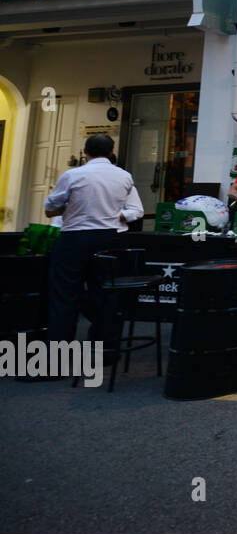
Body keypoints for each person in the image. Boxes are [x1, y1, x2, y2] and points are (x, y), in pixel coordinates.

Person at [39, 135, 142, 373]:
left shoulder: (73, 175)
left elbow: (51, 208)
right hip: (110, 237)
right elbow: (133, 210)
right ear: (112, 151)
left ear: (85, 151)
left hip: (75, 237)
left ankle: (57, 360)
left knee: (64, 296)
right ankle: (104, 352)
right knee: (105, 294)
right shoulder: (124, 176)